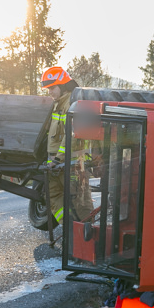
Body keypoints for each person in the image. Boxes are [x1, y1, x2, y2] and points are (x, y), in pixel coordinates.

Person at [40, 66, 93, 225]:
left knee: (80, 201)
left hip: (71, 163)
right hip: (58, 163)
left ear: (63, 86)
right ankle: (69, 228)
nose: (49, 91)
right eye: (48, 88)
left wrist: (58, 159)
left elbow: (73, 136)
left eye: (52, 87)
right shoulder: (58, 104)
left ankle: (87, 234)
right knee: (52, 193)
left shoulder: (72, 105)